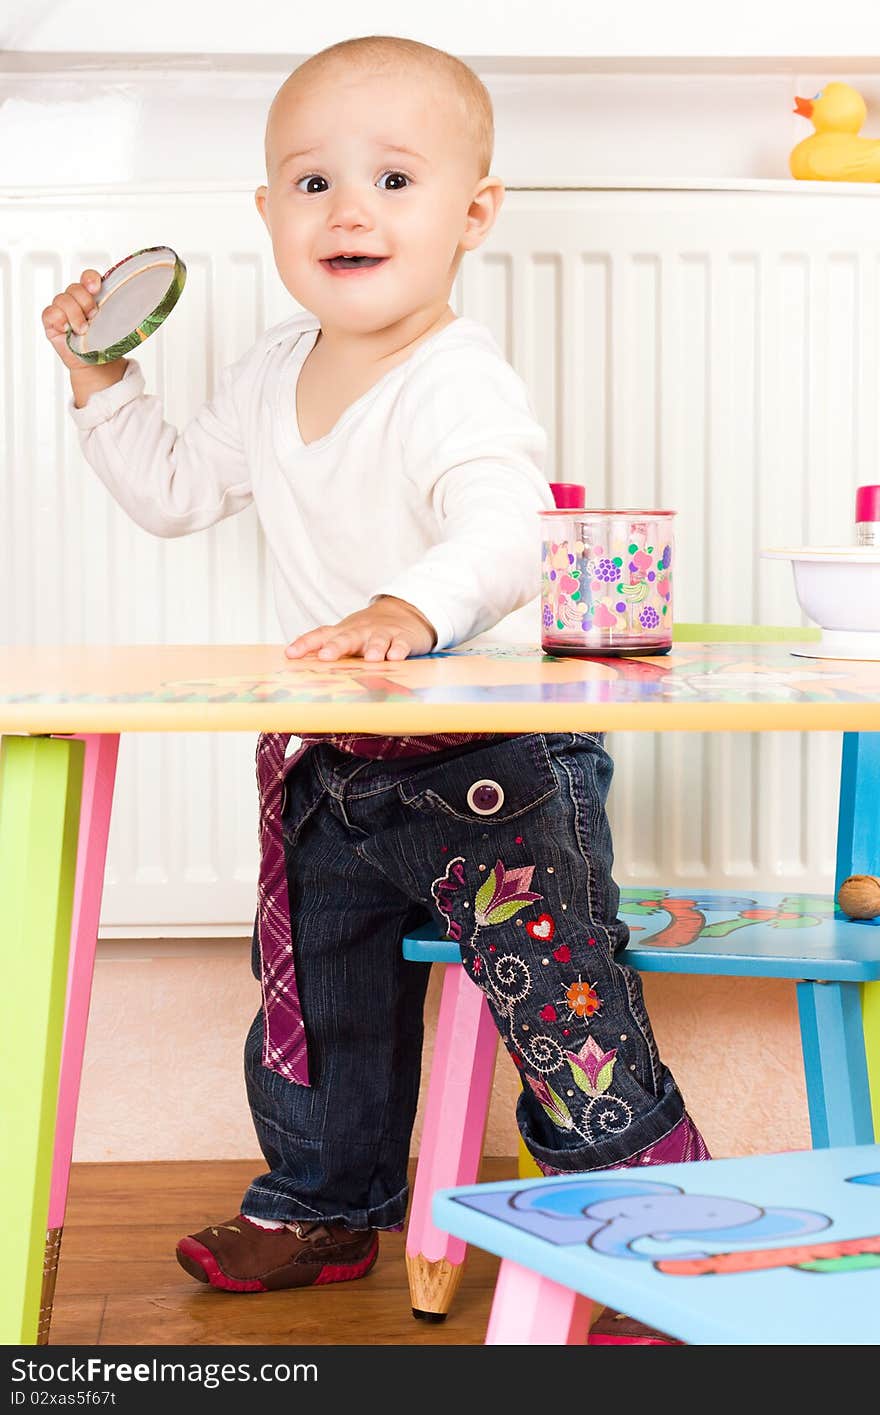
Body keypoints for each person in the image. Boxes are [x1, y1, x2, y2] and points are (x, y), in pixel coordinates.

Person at [42, 34, 709, 1344]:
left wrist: (411, 605)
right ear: (266, 216)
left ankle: (646, 1213)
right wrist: (100, 380)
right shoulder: (271, 367)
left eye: (394, 180)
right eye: (311, 182)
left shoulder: (456, 378)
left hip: (487, 769)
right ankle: (321, 1199)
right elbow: (176, 494)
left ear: (474, 216)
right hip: (333, 760)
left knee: (555, 991)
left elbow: (512, 529)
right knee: (315, 997)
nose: (349, 208)